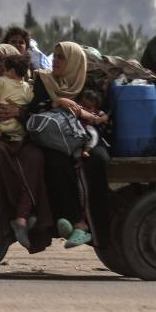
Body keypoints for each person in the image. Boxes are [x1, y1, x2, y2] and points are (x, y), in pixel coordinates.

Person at [25, 41, 108, 248]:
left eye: (62, 57)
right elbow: (32, 112)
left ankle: (90, 225)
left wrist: (85, 115)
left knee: (96, 160)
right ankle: (71, 220)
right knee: (54, 161)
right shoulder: (44, 81)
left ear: (74, 62)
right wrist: (56, 103)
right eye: (55, 56)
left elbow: (100, 117)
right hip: (55, 139)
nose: (56, 61)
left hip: (85, 136)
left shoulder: (88, 84)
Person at [0, 53, 33, 142]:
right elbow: (30, 99)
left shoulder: (2, 82)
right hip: (17, 127)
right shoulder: (27, 86)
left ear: (11, 71)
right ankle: (17, 137)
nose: (2, 72)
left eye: (4, 69)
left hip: (2, 125)